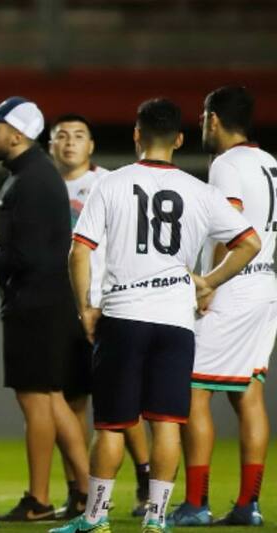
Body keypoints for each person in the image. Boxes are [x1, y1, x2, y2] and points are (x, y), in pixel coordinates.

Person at [51, 98, 261, 533]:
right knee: (167, 422)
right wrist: (209, 282)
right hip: (176, 322)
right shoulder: (200, 191)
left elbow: (79, 252)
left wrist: (84, 308)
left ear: (136, 134)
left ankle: (95, 516)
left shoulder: (110, 184)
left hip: (124, 316)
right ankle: (157, 517)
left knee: (112, 425)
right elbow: (250, 242)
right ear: (180, 140)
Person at [0, 97, 89, 521]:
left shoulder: (33, 180)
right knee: (52, 400)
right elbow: (5, 244)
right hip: (40, 302)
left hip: (37, 304)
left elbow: (22, 256)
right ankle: (86, 494)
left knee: (37, 399)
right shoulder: (27, 175)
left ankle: (41, 500)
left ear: (18, 134)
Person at [168, 86, 277, 527]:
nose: (200, 124)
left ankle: (196, 504)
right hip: (266, 284)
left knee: (192, 393)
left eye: (202, 116)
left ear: (213, 119)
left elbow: (230, 228)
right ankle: (249, 505)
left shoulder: (226, 165)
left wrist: (210, 283)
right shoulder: (270, 162)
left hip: (232, 284)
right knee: (249, 394)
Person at [49, 114, 151, 518]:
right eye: (61, 136)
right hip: (61, 309)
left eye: (79, 135)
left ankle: (145, 482)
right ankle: (78, 491)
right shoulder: (44, 188)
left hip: (106, 306)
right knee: (70, 402)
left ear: (91, 145)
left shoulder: (110, 183)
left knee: (121, 404)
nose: (69, 142)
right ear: (50, 145)